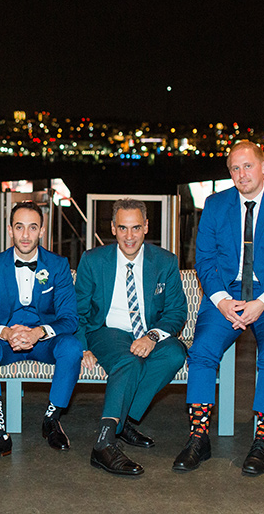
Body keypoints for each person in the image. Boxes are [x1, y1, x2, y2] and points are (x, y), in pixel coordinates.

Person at [176, 140, 264, 475]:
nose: (241, 174)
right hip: (227, 293)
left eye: (247, 166)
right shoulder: (215, 204)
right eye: (234, 168)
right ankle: (199, 437)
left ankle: (262, 440)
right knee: (202, 351)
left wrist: (262, 303)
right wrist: (221, 299)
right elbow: (204, 259)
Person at [76, 198, 188, 476]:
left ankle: (122, 420)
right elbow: (76, 311)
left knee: (175, 352)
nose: (129, 236)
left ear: (146, 227)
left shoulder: (165, 262)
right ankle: (104, 442)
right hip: (106, 331)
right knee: (129, 360)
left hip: (146, 333)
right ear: (113, 228)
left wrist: (152, 336)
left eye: (136, 228)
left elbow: (176, 312)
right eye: (123, 228)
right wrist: (82, 346)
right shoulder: (93, 260)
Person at [0, 201, 82, 465]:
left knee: (72, 348)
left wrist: (39, 332)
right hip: (6, 340)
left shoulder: (58, 265)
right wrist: (6, 333)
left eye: (32, 228)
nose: (26, 235)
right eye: (20, 227)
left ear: (42, 230)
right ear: (10, 230)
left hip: (43, 341)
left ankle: (51, 420)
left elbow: (69, 318)